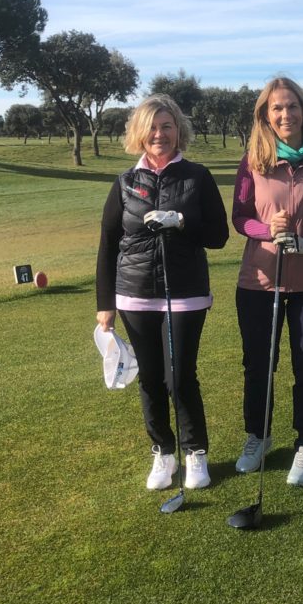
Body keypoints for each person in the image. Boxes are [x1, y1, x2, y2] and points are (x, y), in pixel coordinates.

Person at [96, 94, 229, 492]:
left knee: (180, 376)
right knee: (151, 379)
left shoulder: (197, 176)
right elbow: (107, 243)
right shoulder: (125, 183)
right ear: (140, 132)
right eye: (152, 127)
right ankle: (163, 452)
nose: (160, 134)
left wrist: (183, 222)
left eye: (167, 126)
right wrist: (105, 306)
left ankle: (195, 452)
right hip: (134, 294)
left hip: (186, 293)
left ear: (178, 131)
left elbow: (219, 236)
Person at [232, 77, 303, 486]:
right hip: (259, 281)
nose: (285, 114)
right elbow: (240, 217)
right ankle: (258, 435)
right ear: (265, 114)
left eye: (292, 107)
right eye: (277, 108)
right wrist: (266, 230)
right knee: (258, 365)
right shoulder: (252, 160)